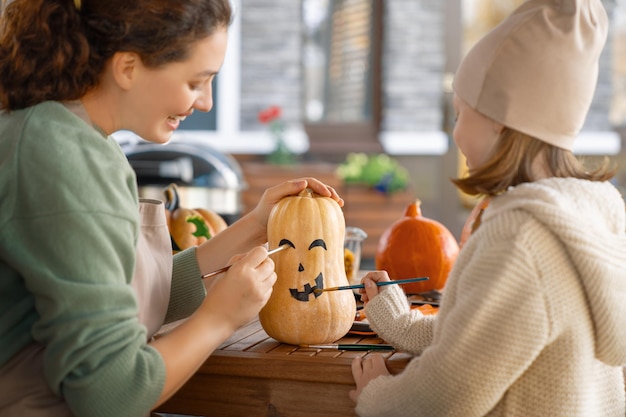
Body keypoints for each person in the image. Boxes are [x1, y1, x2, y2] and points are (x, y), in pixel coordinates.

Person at [0, 1, 343, 416]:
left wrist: (255, 226)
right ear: (128, 67)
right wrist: (219, 319)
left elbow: (131, 291)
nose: (206, 103)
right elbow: (111, 392)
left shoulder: (76, 139)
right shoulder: (63, 159)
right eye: (197, 82)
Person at [350, 0, 626, 416]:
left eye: (460, 113)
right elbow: (491, 338)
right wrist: (402, 322)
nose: (456, 133)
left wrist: (378, 397)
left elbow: (448, 394)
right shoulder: (589, 215)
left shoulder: (518, 239)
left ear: (500, 118)